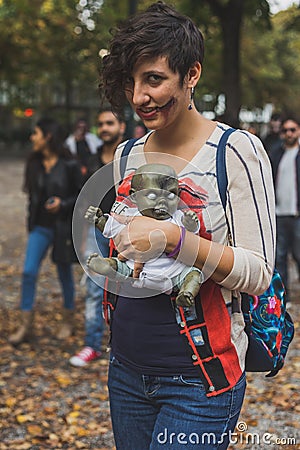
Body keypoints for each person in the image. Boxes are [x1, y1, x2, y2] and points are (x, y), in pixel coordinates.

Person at [96, 3, 275, 449]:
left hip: (200, 381)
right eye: (132, 82)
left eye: (153, 79)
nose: (139, 97)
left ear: (191, 74)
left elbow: (259, 272)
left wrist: (176, 240)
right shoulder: (125, 157)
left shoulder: (234, 152)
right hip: (126, 372)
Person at [85, 163, 202, 307]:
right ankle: (107, 266)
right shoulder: (130, 216)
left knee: (194, 275)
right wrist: (100, 220)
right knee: (119, 264)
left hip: (174, 274)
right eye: (152, 195)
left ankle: (186, 294)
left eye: (170, 195)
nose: (162, 201)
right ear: (133, 196)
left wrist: (190, 223)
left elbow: (192, 234)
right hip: (135, 271)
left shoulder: (179, 216)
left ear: (178, 196)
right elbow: (113, 228)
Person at [9, 118, 83, 346]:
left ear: (47, 136)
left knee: (64, 274)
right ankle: (26, 324)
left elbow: (81, 196)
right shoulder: (34, 164)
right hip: (40, 227)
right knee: (28, 272)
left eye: (36, 133)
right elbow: (33, 197)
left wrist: (62, 203)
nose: (32, 138)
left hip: (62, 228)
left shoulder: (69, 165)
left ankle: (68, 320)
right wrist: (31, 225)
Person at [69, 108, 126, 367]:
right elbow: (84, 201)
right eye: (101, 124)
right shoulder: (91, 160)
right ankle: (92, 344)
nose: (104, 128)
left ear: (121, 127)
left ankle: (122, 347)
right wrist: (81, 238)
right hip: (95, 230)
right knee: (93, 288)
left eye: (109, 123)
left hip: (125, 233)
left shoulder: (130, 159)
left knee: (126, 288)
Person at [269, 116, 300, 301]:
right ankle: (283, 298)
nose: (289, 134)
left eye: (293, 130)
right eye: (285, 130)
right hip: (279, 214)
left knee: (298, 254)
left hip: (297, 214)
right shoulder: (276, 154)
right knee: (279, 258)